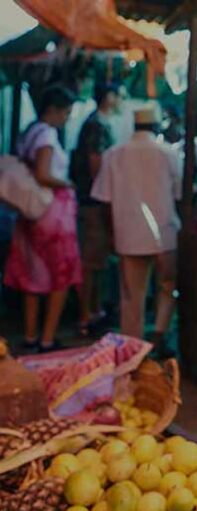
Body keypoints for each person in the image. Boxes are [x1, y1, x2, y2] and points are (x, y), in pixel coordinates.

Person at [91, 107, 181, 357]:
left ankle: (132, 348)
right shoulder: (168, 153)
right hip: (165, 233)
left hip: (128, 234)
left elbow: (103, 199)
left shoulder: (114, 154)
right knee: (168, 286)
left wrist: (112, 233)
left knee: (132, 295)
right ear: (156, 127)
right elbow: (179, 194)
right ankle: (160, 334)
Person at [4, 85, 81, 352]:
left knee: (32, 275)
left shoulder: (30, 132)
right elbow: (43, 174)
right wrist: (68, 183)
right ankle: (47, 338)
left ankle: (30, 335)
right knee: (61, 274)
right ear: (53, 110)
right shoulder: (47, 135)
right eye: (66, 112)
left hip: (30, 214)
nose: (67, 118)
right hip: (53, 213)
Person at [72, 82, 122, 336]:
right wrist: (104, 191)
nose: (121, 100)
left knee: (97, 260)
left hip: (95, 200)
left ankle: (94, 310)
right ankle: (85, 314)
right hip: (94, 202)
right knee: (91, 261)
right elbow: (95, 163)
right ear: (108, 97)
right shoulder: (96, 125)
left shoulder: (99, 123)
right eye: (118, 95)